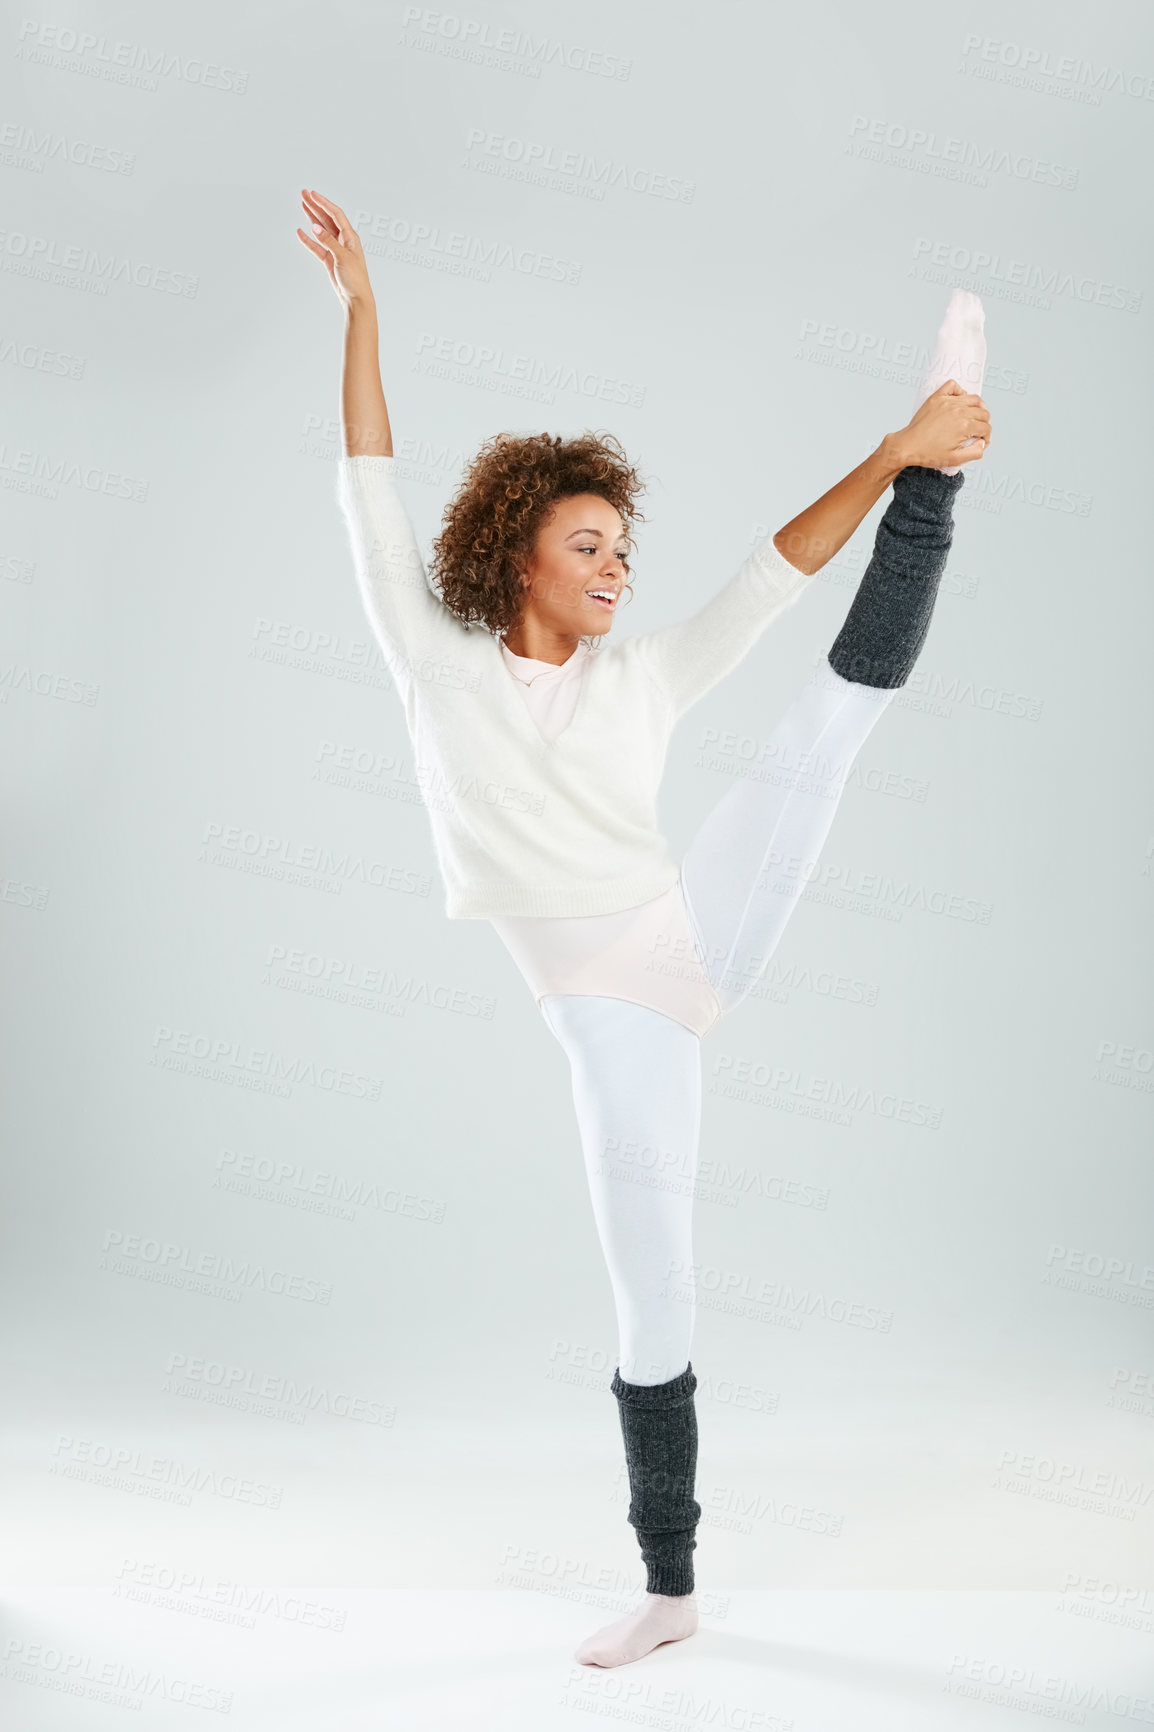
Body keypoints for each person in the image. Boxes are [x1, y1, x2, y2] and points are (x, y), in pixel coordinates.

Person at [297, 187, 991, 1669]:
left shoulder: (643, 679)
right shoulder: (435, 666)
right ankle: (672, 1589)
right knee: (649, 1290)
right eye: (590, 545)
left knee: (822, 729)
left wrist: (888, 454)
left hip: (680, 931)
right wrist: (364, 312)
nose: (618, 568)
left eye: (622, 544)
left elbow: (772, 573)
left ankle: (942, 461)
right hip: (610, 1015)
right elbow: (365, 487)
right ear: (517, 555)